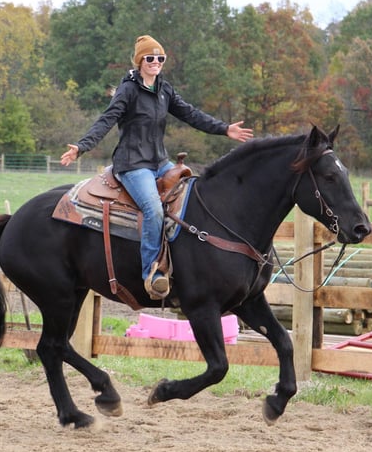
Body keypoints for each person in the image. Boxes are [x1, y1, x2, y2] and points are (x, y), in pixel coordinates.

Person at [61, 35, 253, 299]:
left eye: (160, 58)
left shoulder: (164, 89)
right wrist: (82, 147)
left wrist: (224, 129)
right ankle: (152, 273)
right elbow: (106, 120)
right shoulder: (128, 90)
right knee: (153, 210)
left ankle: (189, 261)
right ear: (140, 61)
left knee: (192, 194)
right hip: (133, 165)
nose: (155, 62)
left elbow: (191, 114)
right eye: (149, 58)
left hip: (160, 162)